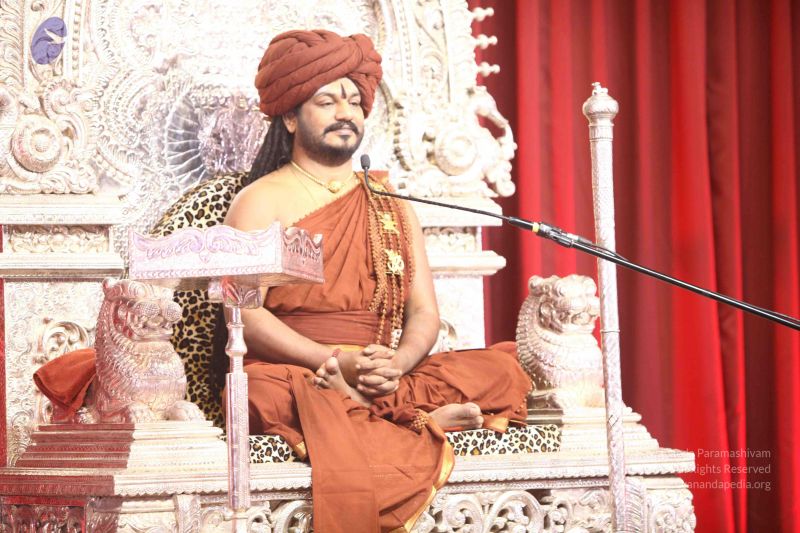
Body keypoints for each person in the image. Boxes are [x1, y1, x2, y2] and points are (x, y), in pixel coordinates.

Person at [211, 29, 532, 532]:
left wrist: (397, 365)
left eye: (355, 101)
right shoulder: (260, 201)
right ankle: (418, 423)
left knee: (501, 369)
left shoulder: (391, 203)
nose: (346, 112)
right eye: (327, 101)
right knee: (258, 394)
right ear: (291, 117)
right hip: (302, 370)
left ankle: (378, 409)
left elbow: (423, 313)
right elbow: (244, 316)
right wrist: (336, 360)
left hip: (383, 375)